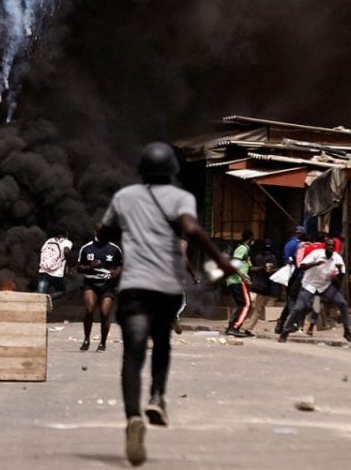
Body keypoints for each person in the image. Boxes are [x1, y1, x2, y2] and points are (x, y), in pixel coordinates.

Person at [102, 142, 242, 466]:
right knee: (162, 343)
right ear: (172, 171)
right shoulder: (182, 198)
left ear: (142, 170)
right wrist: (220, 258)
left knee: (132, 354)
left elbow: (106, 230)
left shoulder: (124, 197)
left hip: (134, 286)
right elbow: (191, 228)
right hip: (165, 288)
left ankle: (133, 417)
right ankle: (157, 397)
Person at [279, 238, 351, 343]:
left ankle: (347, 332)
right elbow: (302, 266)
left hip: (324, 286)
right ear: (325, 246)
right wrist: (315, 264)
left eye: (332, 246)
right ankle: (285, 331)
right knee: (299, 308)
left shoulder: (337, 259)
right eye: (329, 246)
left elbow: (340, 280)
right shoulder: (316, 254)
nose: (331, 248)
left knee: (342, 303)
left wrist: (337, 275)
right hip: (309, 285)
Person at [76, 224, 124, 352]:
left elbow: (120, 265)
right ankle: (86, 338)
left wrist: (116, 272)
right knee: (89, 309)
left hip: (108, 285)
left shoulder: (114, 249)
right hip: (90, 284)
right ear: (96, 232)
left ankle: (102, 342)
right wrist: (89, 267)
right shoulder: (87, 248)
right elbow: (79, 267)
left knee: (104, 312)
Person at [275, 226, 306, 334]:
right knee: (293, 300)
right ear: (301, 234)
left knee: (291, 300)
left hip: (293, 275)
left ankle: (281, 324)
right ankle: (292, 323)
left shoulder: (290, 243)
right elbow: (291, 260)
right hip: (294, 276)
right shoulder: (296, 245)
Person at [243, 239, 279, 333]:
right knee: (258, 310)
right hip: (263, 287)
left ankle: (240, 324)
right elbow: (269, 271)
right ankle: (248, 328)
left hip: (255, 285)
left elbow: (252, 268)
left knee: (249, 306)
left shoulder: (257, 257)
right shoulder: (272, 258)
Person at [226, 230, 255, 337]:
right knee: (246, 304)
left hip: (237, 280)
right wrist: (243, 276)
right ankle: (234, 327)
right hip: (237, 280)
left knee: (241, 304)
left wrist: (263, 268)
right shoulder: (242, 248)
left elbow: (250, 267)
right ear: (250, 239)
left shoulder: (246, 250)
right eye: (252, 239)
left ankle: (231, 327)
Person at [36, 228, 73, 299]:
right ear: (65, 233)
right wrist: (68, 266)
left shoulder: (49, 241)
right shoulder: (67, 242)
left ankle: (40, 303)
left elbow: (42, 251)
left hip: (43, 270)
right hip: (57, 273)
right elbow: (66, 251)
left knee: (39, 295)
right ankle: (49, 298)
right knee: (61, 291)